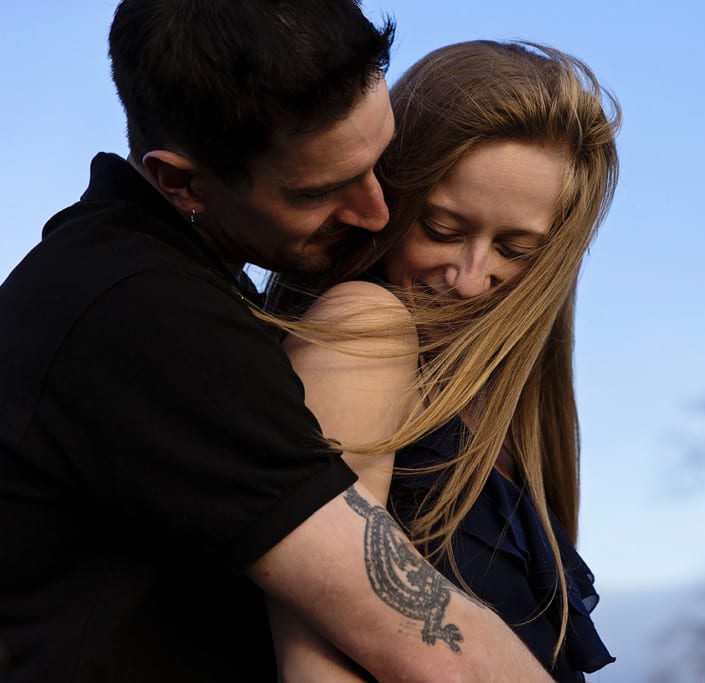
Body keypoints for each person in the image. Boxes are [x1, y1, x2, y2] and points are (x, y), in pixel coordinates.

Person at [0, 2, 557, 682]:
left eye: (380, 161)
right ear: (181, 181)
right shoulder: (141, 314)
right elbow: (425, 645)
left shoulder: (150, 286)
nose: (376, 212)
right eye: (321, 191)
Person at [266, 40, 620, 682]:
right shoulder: (363, 327)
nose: (468, 278)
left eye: (516, 249)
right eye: (442, 229)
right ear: (389, 200)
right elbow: (315, 667)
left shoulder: (506, 418)